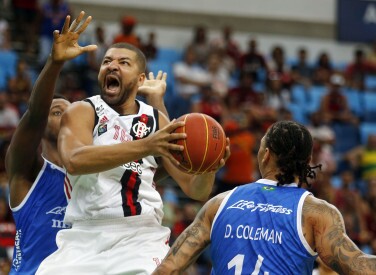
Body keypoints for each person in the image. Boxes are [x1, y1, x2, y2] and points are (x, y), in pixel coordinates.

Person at [36, 11, 229, 275]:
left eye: (124, 62)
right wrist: (146, 146)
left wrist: (209, 167)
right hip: (83, 236)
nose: (112, 66)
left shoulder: (156, 120)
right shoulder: (83, 110)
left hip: (140, 236)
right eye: (107, 61)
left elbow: (195, 190)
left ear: (140, 80)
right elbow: (75, 160)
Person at [6, 12, 173, 274]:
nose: (70, 116)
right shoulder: (30, 173)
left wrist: (156, 101)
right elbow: (35, 114)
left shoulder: (106, 175)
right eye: (58, 112)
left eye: (71, 111)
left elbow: (154, 165)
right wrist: (54, 63)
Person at [153, 120, 376, 275]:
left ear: (266, 154)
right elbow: (358, 266)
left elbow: (168, 269)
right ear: (308, 160)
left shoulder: (220, 203)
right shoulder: (316, 214)